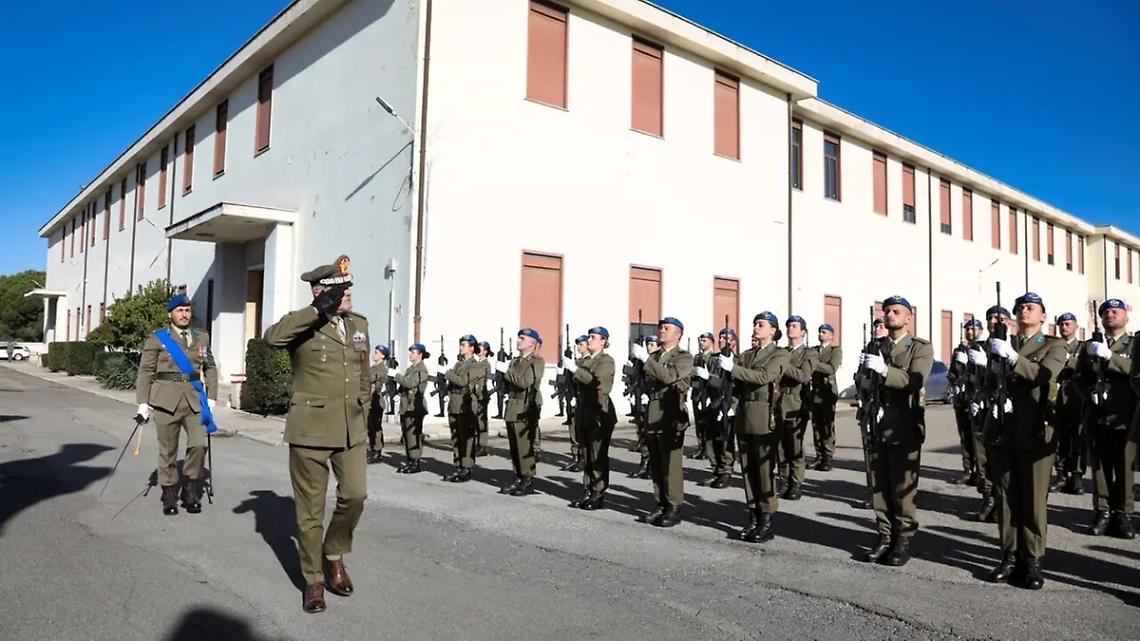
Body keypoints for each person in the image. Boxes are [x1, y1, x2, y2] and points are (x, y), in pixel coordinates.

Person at [263, 255, 369, 614]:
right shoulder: (303, 325)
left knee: (355, 494)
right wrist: (315, 310)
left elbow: (363, 373)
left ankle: (333, 551)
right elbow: (271, 338)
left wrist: (365, 411)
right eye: (343, 287)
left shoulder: (359, 324)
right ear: (323, 292)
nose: (350, 291)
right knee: (309, 511)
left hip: (350, 426)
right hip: (310, 429)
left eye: (350, 285)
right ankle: (314, 579)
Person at [977, 292, 1065, 589]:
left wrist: (1013, 359)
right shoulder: (1002, 342)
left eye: (1030, 307)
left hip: (1035, 430)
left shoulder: (1054, 344)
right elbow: (989, 383)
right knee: (1005, 496)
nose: (1024, 311)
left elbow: (1044, 374)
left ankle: (1032, 560)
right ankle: (1009, 554)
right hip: (1002, 428)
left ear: (1043, 315)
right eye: (1020, 307)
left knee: (1033, 498)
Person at [857, 296, 932, 567]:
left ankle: (903, 538)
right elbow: (863, 380)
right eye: (887, 311)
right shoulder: (875, 345)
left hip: (904, 424)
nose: (889, 315)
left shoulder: (920, 348)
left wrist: (884, 370)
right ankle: (884, 535)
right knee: (879, 484)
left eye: (896, 311)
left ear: (908, 318)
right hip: (876, 422)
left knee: (902, 487)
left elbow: (915, 380)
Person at [134, 292, 218, 516]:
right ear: (170, 313)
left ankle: (190, 491)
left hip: (194, 400)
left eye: (187, 310)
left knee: (199, 445)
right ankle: (169, 494)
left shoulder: (202, 337)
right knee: (168, 450)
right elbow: (146, 371)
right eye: (180, 310)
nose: (184, 314)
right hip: (165, 401)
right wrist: (142, 403)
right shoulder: (159, 338)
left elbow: (210, 366)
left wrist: (212, 395)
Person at [722, 312, 788, 542]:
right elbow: (736, 383)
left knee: (763, 470)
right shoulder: (747, 355)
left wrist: (734, 369)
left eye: (761, 324)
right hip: (744, 414)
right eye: (755, 324)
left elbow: (764, 377)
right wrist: (725, 366)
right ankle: (753, 514)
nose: (756, 327)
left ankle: (767, 519)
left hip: (764, 416)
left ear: (773, 330)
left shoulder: (780, 354)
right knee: (748, 469)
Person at [1078, 299, 1137, 539]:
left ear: (1125, 316)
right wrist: (1089, 394)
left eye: (1115, 311)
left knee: (1124, 468)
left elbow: (1136, 370)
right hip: (1098, 414)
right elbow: (1079, 377)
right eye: (1106, 312)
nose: (1110, 315)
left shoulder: (1134, 344)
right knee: (1100, 468)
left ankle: (1123, 514)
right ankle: (1102, 511)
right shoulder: (1090, 346)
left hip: (1126, 415)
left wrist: (1110, 358)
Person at [632, 317, 693, 527]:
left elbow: (668, 377)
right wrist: (639, 363)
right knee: (656, 463)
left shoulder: (684, 357)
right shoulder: (655, 355)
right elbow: (646, 383)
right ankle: (660, 503)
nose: (661, 330)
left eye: (667, 328)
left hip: (670, 414)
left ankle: (674, 506)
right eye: (661, 327)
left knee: (671, 464)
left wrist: (647, 361)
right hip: (653, 412)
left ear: (678, 334)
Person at [564, 327, 617, 510]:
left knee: (597, 455)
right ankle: (587, 490)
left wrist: (575, 369)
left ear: (603, 341)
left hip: (599, 412)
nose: (589, 340)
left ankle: (598, 493)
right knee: (586, 454)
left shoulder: (606, 361)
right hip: (584, 412)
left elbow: (596, 382)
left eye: (593, 337)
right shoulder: (585, 361)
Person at [968, 305, 1012, 523]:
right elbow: (971, 377)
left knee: (1003, 458)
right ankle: (988, 497)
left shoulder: (1014, 346)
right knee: (982, 454)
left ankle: (1003, 499)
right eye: (991, 318)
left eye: (1000, 317)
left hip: (1008, 410)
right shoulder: (979, 347)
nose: (995, 320)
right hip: (983, 407)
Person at [496, 328, 546, 496]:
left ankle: (528, 480)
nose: (518, 341)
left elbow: (525, 382)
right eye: (518, 338)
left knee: (524, 445)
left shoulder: (537, 361)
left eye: (522, 338)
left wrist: (506, 371)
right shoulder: (515, 361)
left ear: (532, 343)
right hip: (512, 405)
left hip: (525, 405)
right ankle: (518, 476)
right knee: (515, 445)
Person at [777, 315, 817, 500]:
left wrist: (784, 365)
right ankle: (783, 479)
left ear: (803, 331)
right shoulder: (782, 351)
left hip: (796, 403)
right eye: (789, 326)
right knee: (780, 445)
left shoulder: (809, 353)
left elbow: (803, 375)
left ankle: (796, 482)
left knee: (795, 446)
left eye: (794, 326)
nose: (790, 329)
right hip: (777, 402)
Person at [697, 329, 737, 488]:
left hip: (728, 404)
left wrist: (732, 405)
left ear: (733, 341)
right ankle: (715, 470)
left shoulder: (738, 361)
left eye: (726, 338)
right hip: (713, 402)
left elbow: (735, 384)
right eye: (720, 337)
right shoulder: (714, 359)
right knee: (710, 438)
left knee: (725, 438)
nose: (722, 340)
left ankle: (726, 472)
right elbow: (706, 381)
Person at [1050, 312, 1085, 495]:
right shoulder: (1053, 346)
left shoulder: (1082, 347)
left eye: (1068, 324)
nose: (1064, 327)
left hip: (1076, 397)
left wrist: (1067, 360)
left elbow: (1084, 366)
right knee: (1060, 437)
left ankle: (1077, 475)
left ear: (1075, 326)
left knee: (1078, 438)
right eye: (1061, 324)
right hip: (1057, 396)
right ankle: (1061, 474)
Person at [948, 319, 984, 486]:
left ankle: (980, 472)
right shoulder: (959, 350)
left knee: (977, 437)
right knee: (964, 435)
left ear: (980, 331)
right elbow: (952, 374)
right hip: (962, 398)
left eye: (974, 328)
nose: (970, 331)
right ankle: (967, 470)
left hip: (976, 397)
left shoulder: (984, 348)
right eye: (968, 328)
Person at [443, 335, 484, 483]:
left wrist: (447, 373)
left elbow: (462, 381)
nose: (461, 348)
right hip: (454, 403)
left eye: (464, 345)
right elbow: (452, 384)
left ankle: (466, 467)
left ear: (472, 348)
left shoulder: (475, 365)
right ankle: (458, 466)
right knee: (456, 437)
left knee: (466, 437)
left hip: (465, 404)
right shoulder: (458, 364)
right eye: (460, 345)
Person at [809, 323, 842, 472]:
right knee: (816, 425)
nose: (821, 334)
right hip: (814, 391)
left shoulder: (835, 350)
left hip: (827, 391)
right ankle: (819, 455)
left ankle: (828, 456)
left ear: (831, 335)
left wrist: (813, 364)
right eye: (820, 331)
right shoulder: (813, 350)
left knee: (827, 425)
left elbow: (831, 368)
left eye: (824, 332)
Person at [393, 344, 430, 473]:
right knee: (406, 434)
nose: (410, 355)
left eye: (412, 352)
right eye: (410, 352)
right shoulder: (411, 369)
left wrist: (396, 376)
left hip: (415, 406)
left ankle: (415, 462)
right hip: (407, 405)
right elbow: (404, 385)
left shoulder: (421, 370)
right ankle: (410, 460)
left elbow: (410, 383)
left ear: (420, 354)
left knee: (413, 435)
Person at [560, 335, 590, 471]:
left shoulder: (590, 362)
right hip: (574, 399)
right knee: (572, 428)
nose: (579, 347)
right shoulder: (575, 362)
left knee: (582, 432)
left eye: (581, 344)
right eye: (577, 345)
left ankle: (583, 459)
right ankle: (575, 457)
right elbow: (569, 382)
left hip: (584, 401)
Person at [367, 346, 390, 464]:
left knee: (376, 427)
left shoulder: (382, 369)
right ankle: (372, 449)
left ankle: (377, 451)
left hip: (376, 400)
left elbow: (369, 379)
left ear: (382, 355)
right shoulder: (373, 367)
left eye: (376, 353)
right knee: (369, 427)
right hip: (369, 400)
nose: (374, 354)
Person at [476, 341, 494, 457]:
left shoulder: (486, 364)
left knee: (481, 421)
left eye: (480, 349)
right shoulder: (477, 363)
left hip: (482, 395)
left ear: (486, 351)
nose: (478, 350)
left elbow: (485, 380)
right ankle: (478, 444)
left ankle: (483, 445)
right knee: (475, 421)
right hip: (475, 395)